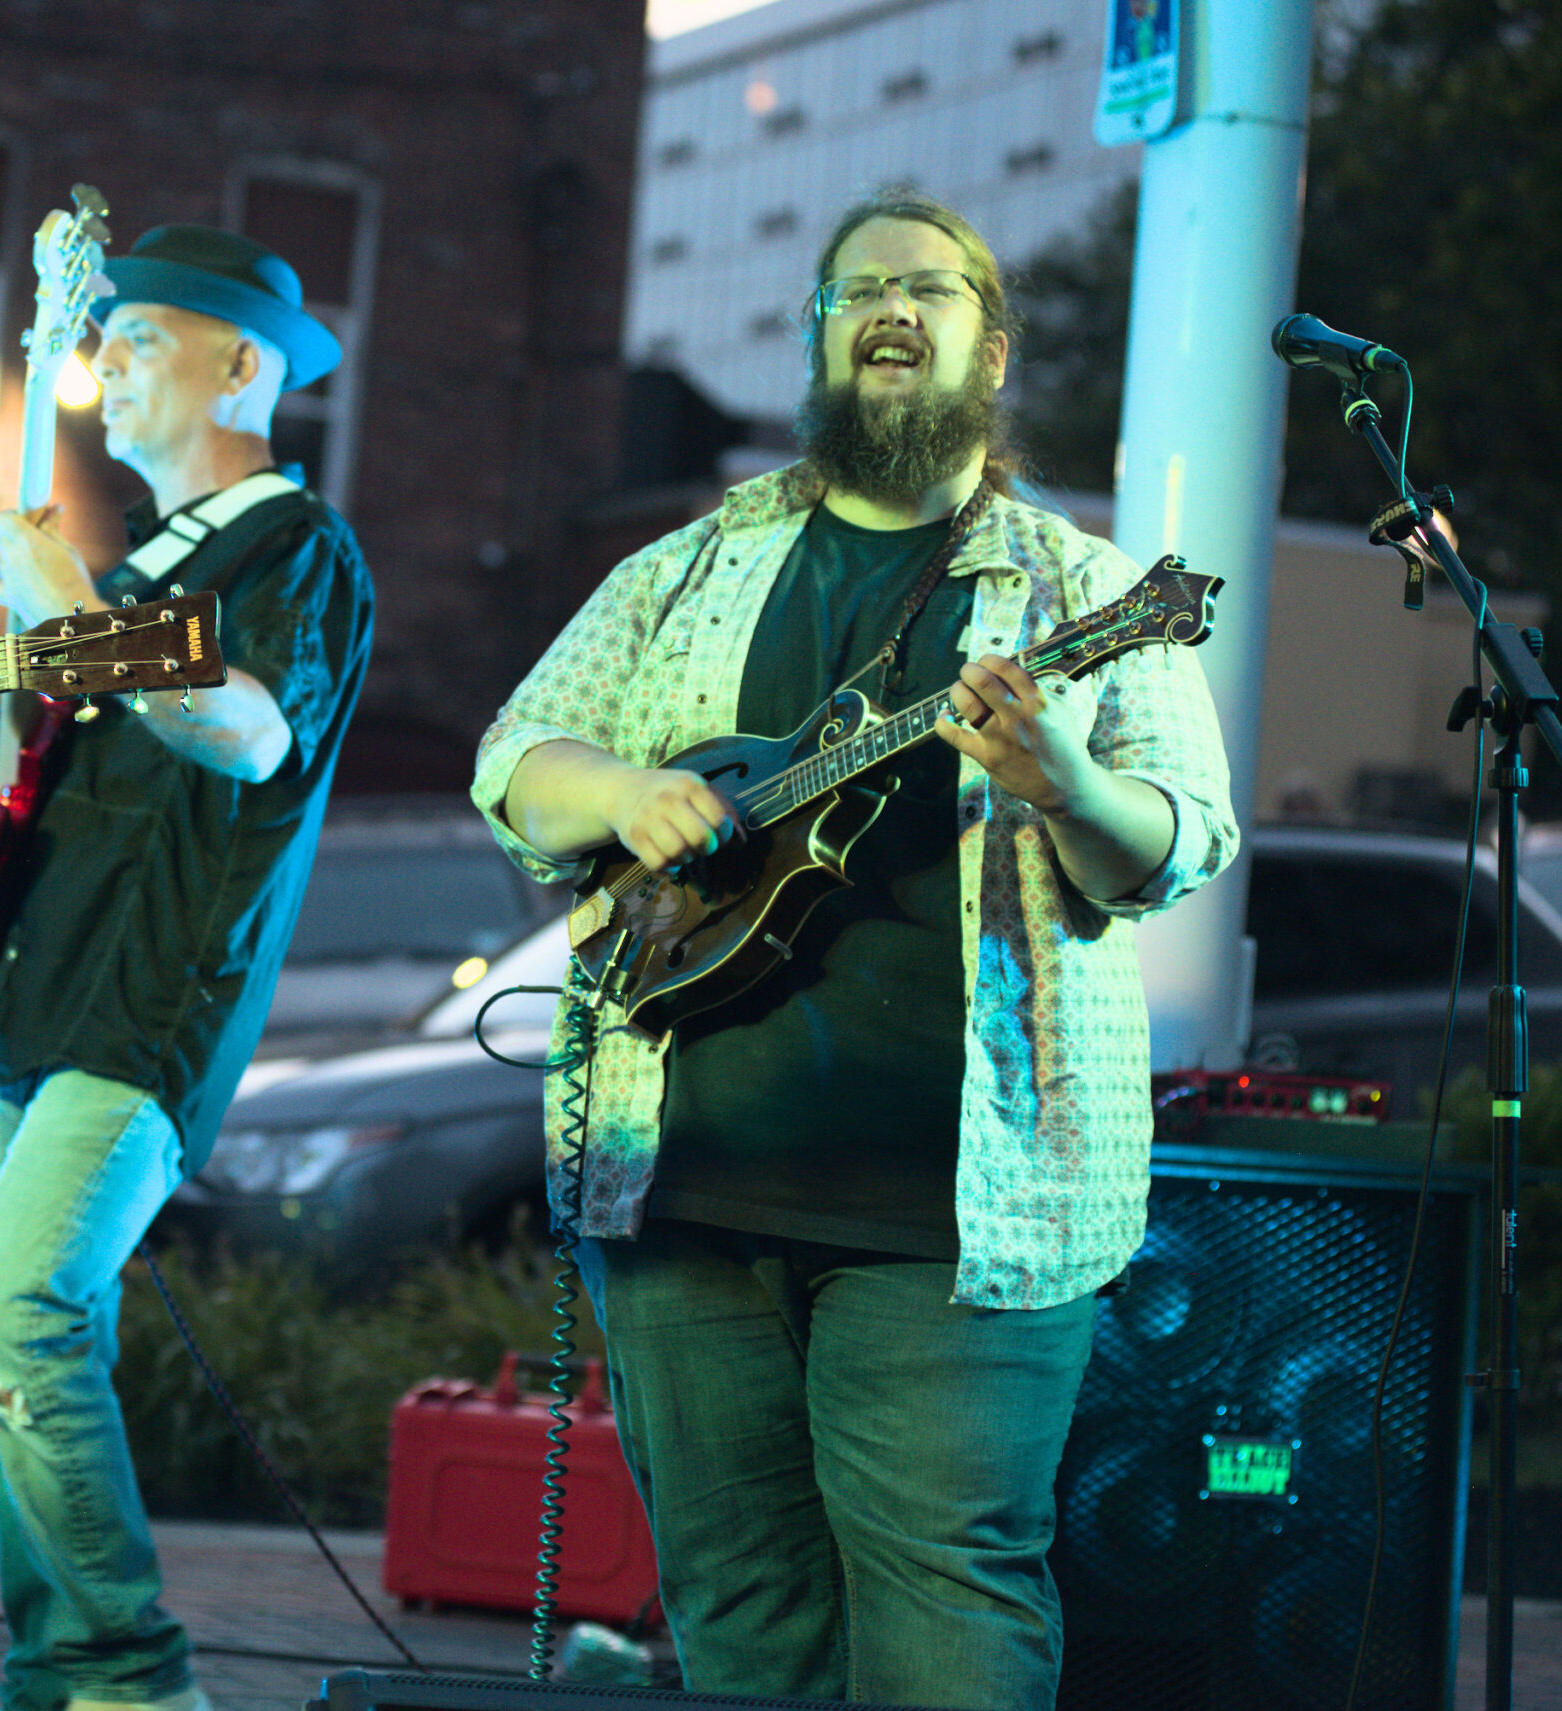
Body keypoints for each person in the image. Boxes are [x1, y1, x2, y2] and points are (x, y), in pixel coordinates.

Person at [471, 190, 1238, 1709]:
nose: (890, 305)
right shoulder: (686, 569)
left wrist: (1066, 786)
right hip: (679, 1189)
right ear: (820, 335)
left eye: (930, 289)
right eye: (855, 288)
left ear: (990, 348)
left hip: (960, 1221)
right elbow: (515, 757)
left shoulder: (1083, 589)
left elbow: (1186, 837)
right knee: (742, 1612)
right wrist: (626, 792)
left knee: (948, 1606)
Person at [0, 224, 374, 1711]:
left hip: (149, 1008)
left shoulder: (296, 550)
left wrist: (66, 616)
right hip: (41, 999)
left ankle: (132, 1676)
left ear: (242, 369)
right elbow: (74, 788)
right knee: (20, 1376)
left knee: (11, 1311)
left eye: (143, 344)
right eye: (101, 344)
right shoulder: (130, 571)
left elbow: (246, 731)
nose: (104, 371)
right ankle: (57, 1678)